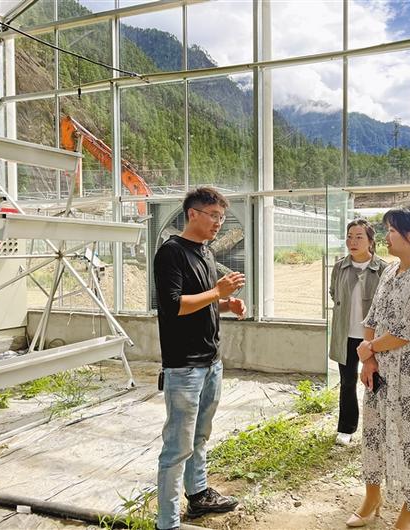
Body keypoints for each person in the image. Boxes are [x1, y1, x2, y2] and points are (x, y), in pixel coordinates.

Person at [154, 187, 247, 530]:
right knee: (177, 447)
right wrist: (218, 292)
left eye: (222, 217)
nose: (219, 223)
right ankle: (167, 522)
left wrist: (226, 304)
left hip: (211, 361)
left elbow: (203, 300)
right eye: (213, 216)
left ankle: (199, 495)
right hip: (184, 366)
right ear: (192, 214)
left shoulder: (205, 252)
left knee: (200, 436)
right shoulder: (171, 253)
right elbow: (174, 306)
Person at [350, 205, 410, 530]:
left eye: (391, 231)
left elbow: (408, 331)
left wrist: (369, 349)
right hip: (379, 369)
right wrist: (369, 359)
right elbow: (373, 317)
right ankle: (372, 497)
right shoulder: (390, 271)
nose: (385, 237)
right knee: (374, 433)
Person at [329, 219, 388, 446]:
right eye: (350, 237)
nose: (352, 241)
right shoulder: (339, 267)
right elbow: (334, 293)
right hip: (345, 335)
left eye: (359, 237)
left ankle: (379, 428)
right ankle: (346, 428)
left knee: (375, 381)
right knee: (347, 381)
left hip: (373, 338)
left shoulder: (383, 269)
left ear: (371, 241)